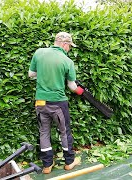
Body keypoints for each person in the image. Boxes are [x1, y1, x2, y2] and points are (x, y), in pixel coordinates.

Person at [28, 32, 84, 174]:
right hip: (58, 103)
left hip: (40, 101)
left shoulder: (39, 52)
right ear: (65, 45)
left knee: (44, 132)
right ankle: (69, 162)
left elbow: (31, 74)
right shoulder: (67, 61)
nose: (69, 49)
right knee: (64, 132)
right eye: (70, 46)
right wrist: (80, 92)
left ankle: (47, 165)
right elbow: (72, 86)